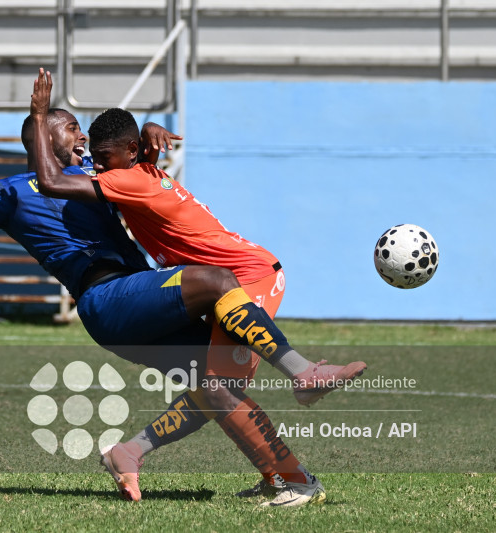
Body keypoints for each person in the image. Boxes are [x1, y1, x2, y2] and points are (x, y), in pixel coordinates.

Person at [0, 110, 327, 507]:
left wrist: (148, 130)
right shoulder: (7, 192)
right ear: (44, 137)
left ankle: (288, 479)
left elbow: (133, 149)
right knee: (215, 280)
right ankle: (300, 372)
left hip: (146, 296)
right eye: (71, 127)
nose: (82, 137)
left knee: (218, 389)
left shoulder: (91, 172)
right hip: (107, 299)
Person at [30, 68, 367, 507]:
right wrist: (147, 130)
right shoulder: (139, 169)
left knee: (217, 390)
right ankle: (133, 452)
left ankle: (304, 381)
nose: (96, 162)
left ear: (129, 151)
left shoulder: (127, 178)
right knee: (216, 390)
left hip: (250, 277)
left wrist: (38, 115)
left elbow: (51, 182)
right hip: (237, 274)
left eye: (103, 155)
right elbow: (137, 149)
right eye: (93, 154)